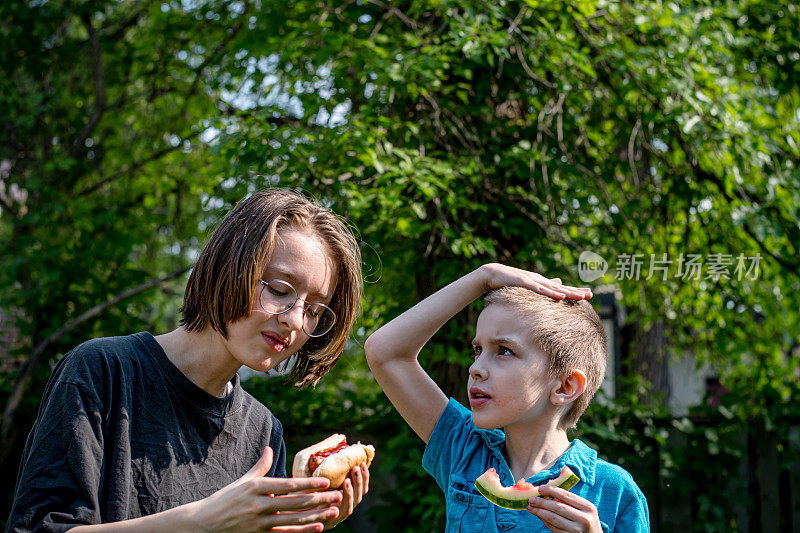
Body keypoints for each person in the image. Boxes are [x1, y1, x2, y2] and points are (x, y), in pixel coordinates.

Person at [8, 189, 370, 533]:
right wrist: (201, 522)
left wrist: (300, 520)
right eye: (278, 290)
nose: (294, 320)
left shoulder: (264, 433)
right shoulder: (101, 371)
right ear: (230, 267)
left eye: (314, 310)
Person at [364, 264, 649, 532]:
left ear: (565, 386)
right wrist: (484, 276)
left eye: (503, 350)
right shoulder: (465, 450)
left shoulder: (615, 491)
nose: (475, 368)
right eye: (477, 350)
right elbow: (384, 352)